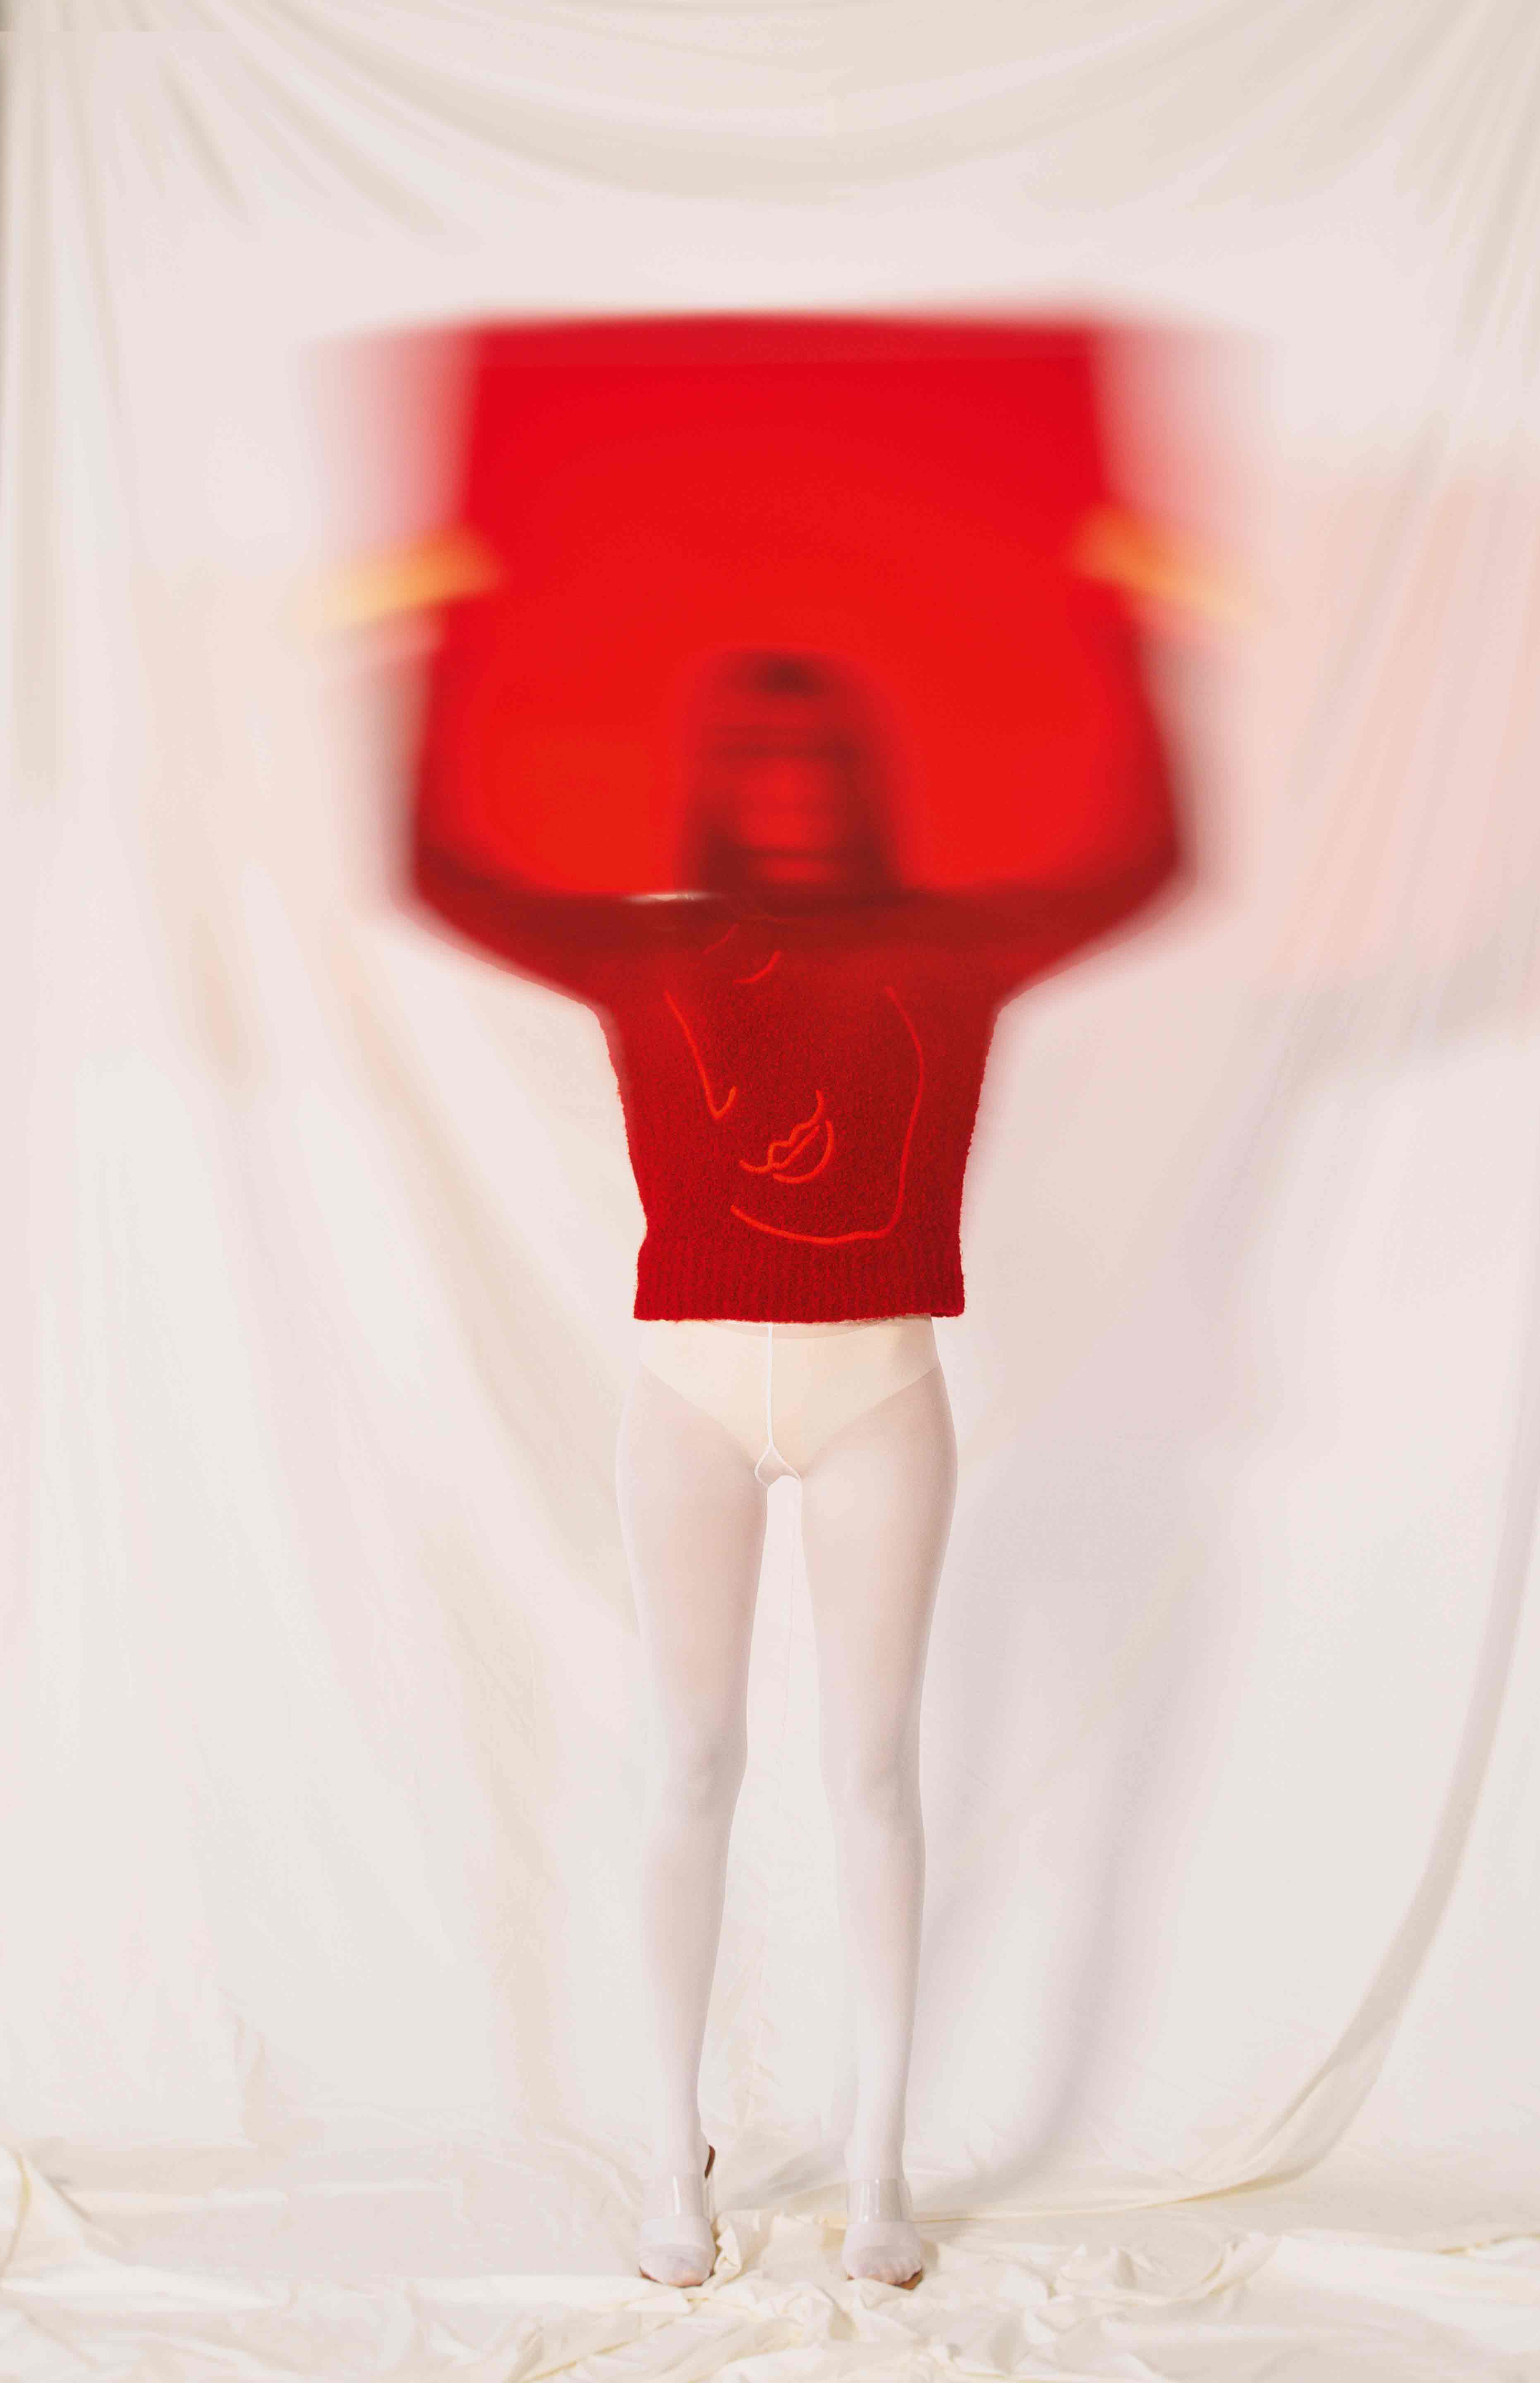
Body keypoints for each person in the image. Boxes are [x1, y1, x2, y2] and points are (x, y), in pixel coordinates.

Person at [410, 646, 1181, 2288]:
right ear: (718, 784)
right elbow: (448, 879)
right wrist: (447, 649)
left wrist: (1129, 642)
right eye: (755, 759)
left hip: (879, 1397)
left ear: (856, 781)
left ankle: (878, 2163)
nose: (786, 791)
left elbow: (1140, 868)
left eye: (814, 757)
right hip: (686, 1399)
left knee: (873, 1773)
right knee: (690, 1763)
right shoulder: (655, 942)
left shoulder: (946, 947)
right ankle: (665, 2151)